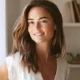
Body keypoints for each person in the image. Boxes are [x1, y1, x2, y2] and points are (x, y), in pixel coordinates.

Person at [0, 0, 69, 80]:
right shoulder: (14, 62)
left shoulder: (63, 66)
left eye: (43, 21)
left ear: (55, 25)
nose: (36, 27)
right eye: (31, 22)